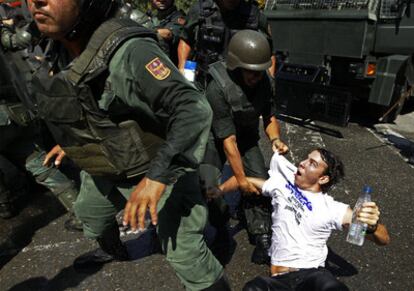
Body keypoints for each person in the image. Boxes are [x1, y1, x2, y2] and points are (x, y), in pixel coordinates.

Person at [29, 0, 229, 289]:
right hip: (107, 165)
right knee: (91, 217)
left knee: (186, 254)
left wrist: (157, 177)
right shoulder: (58, 45)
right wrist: (74, 140)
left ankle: (212, 215)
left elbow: (192, 108)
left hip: (157, 167)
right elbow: (81, 100)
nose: (37, 1)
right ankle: (114, 250)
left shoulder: (129, 50)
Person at [214, 148, 390, 291]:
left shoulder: (332, 208)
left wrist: (373, 227)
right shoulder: (281, 186)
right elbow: (243, 180)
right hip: (277, 279)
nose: (302, 163)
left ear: (323, 178)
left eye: (312, 163)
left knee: (330, 287)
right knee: (253, 288)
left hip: (311, 276)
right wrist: (219, 190)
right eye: (306, 159)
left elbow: (383, 240)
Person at [200, 30, 288, 265]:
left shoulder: (265, 82)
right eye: (251, 72)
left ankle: (261, 232)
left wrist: (275, 140)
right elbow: (228, 141)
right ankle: (220, 228)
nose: (256, 77)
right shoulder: (217, 87)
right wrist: (240, 179)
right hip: (216, 139)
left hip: (246, 136)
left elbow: (269, 117)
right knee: (210, 185)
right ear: (236, 65)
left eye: (260, 71)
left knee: (259, 180)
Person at [0, 1, 81, 231]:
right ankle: (80, 211)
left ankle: (5, 204)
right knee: (39, 165)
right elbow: (19, 41)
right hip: (10, 114)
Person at [177, 0, 274, 88]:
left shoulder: (255, 16)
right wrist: (182, 67)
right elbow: (186, 40)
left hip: (240, 86)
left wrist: (269, 83)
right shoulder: (200, 10)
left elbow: (269, 54)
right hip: (205, 80)